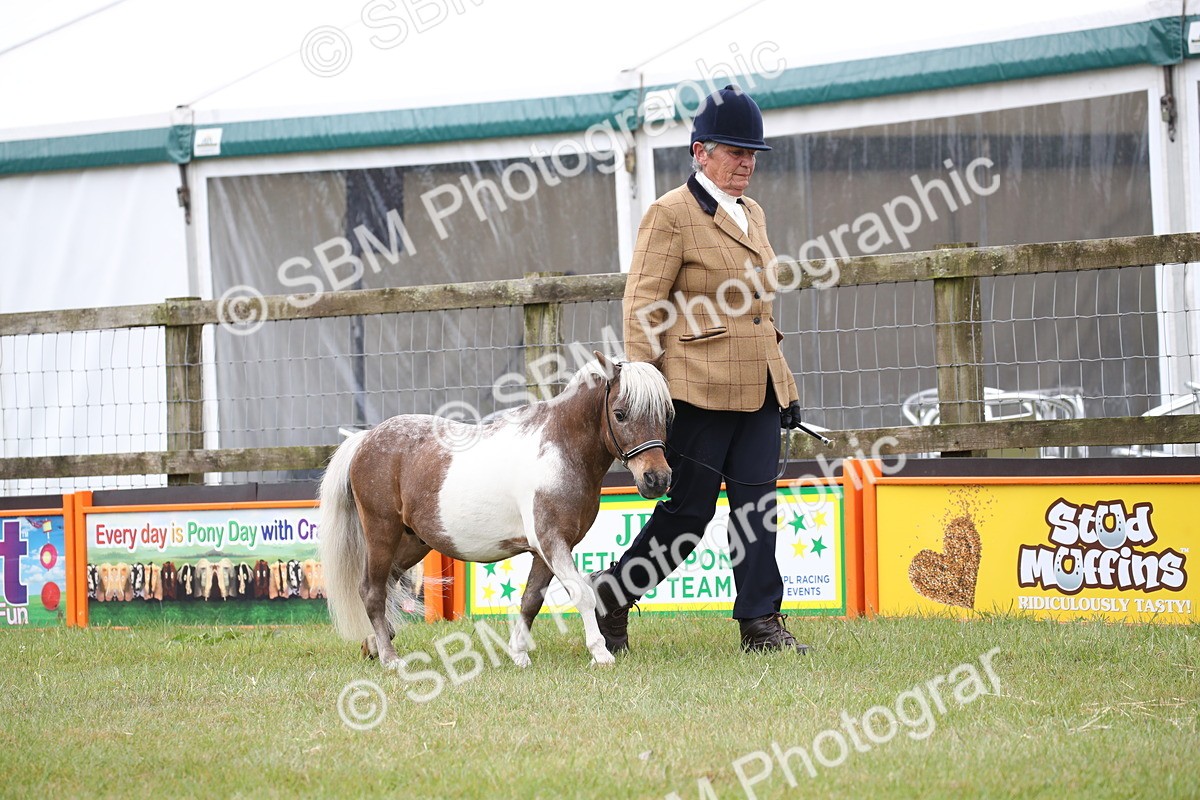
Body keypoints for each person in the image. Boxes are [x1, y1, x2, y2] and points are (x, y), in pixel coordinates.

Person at [590, 84, 810, 654]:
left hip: (758, 388)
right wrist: (646, 393)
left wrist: (782, 385)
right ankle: (612, 594)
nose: (746, 163)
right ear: (700, 151)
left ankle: (761, 623)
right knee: (686, 516)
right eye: (735, 151)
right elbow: (641, 306)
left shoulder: (753, 213)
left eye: (752, 153)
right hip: (696, 390)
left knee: (757, 509)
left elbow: (762, 311)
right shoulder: (670, 215)